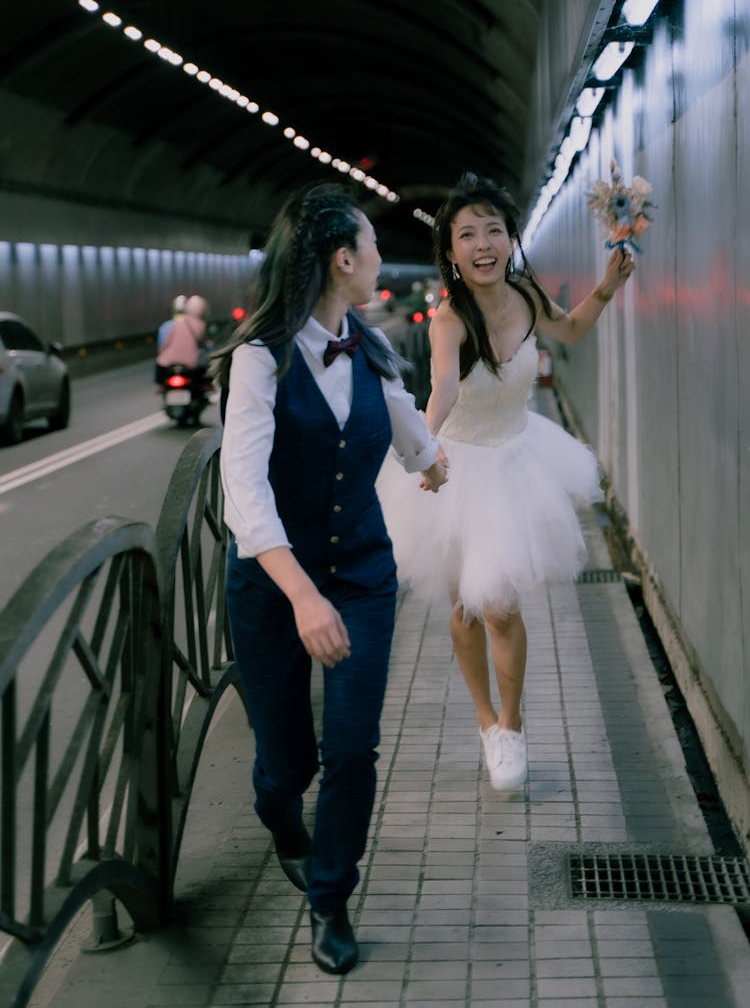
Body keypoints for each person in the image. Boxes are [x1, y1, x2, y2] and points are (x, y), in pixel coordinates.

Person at [213, 182, 448, 975]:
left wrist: (435, 461)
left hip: (362, 575)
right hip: (277, 585)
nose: (381, 257)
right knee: (293, 764)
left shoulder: (372, 347)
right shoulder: (257, 360)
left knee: (352, 747)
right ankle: (278, 808)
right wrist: (302, 593)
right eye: (373, 245)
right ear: (343, 259)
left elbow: (411, 431)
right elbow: (243, 495)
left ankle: (329, 896)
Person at [377, 172, 634, 792]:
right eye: (468, 234)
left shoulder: (523, 294)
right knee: (464, 609)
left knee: (498, 606)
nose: (483, 242)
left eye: (494, 229)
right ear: (452, 253)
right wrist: (424, 451)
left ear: (512, 238)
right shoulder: (448, 320)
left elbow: (568, 329)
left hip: (517, 460)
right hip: (459, 466)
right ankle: (485, 719)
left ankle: (511, 727)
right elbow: (439, 391)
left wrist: (606, 288)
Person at [155, 294, 209, 383]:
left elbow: (165, 343)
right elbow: (203, 343)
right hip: (191, 363)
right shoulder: (201, 325)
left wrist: (162, 353)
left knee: (159, 365)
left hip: (169, 361)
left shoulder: (175, 324)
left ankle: (161, 386)